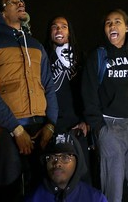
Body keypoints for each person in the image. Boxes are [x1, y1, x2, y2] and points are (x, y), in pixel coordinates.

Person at [0, 0, 58, 200]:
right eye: (12, 2)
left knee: (45, 188)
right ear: (1, 13)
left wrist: (50, 124)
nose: (20, 3)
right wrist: (16, 130)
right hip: (8, 131)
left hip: (42, 129)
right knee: (10, 191)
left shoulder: (37, 45)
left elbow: (49, 86)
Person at [81, 8, 128, 202]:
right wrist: (100, 129)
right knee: (112, 189)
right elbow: (88, 95)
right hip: (110, 127)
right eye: (108, 23)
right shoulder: (98, 56)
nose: (112, 25)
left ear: (127, 28)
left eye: (117, 21)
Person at [44, 15, 93, 185]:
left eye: (63, 26)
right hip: (52, 125)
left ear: (69, 32)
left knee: (82, 176)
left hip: (78, 126)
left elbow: (90, 91)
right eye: (54, 26)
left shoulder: (81, 57)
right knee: (56, 178)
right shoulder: (42, 58)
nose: (59, 30)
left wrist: (86, 120)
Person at [24, 132, 107, 202]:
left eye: (65, 157)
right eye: (51, 157)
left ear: (78, 161)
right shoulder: (32, 199)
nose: (57, 163)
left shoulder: (96, 199)